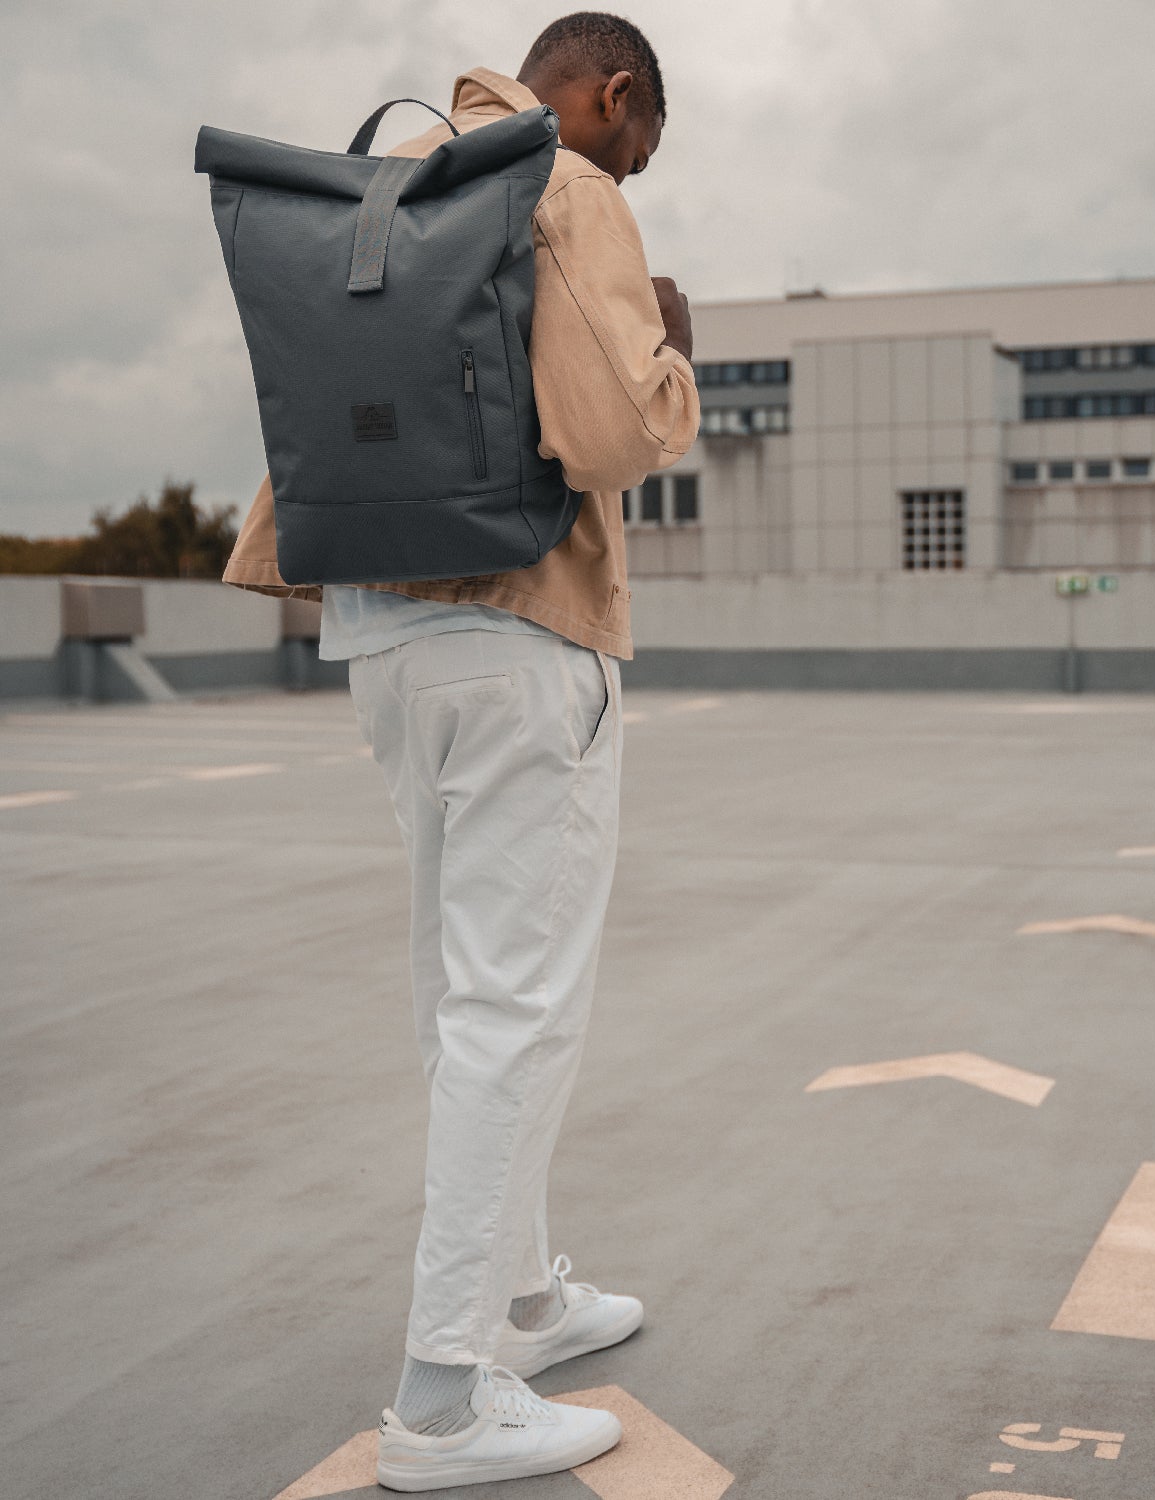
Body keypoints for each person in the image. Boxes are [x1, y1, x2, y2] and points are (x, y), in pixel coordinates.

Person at [220, 12, 698, 1490]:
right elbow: (614, 434)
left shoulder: (407, 167)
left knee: (466, 997)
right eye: (645, 141)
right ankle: (441, 1396)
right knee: (520, 1008)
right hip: (521, 632)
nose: (636, 166)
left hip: (377, 635)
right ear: (612, 94)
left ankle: (531, 1299)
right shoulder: (566, 181)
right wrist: (674, 352)